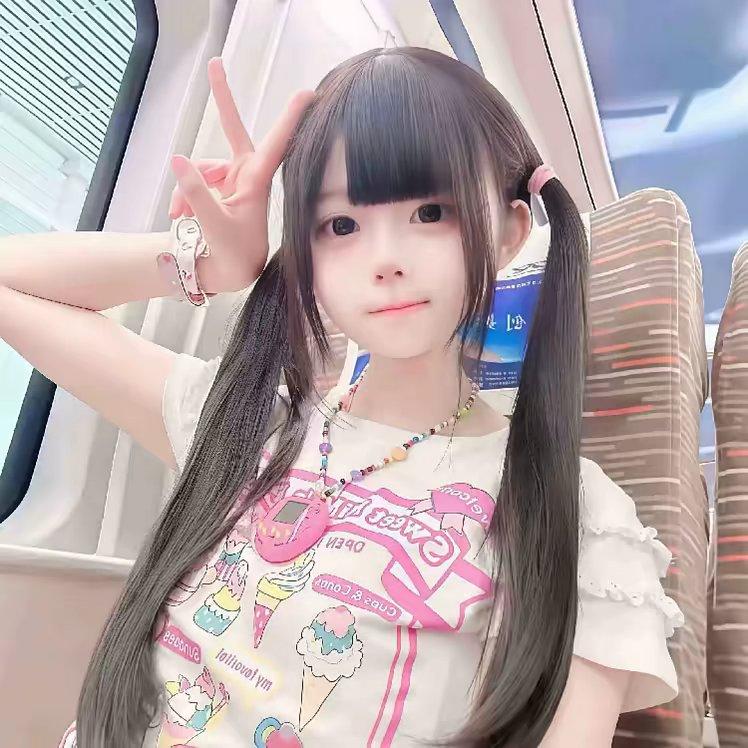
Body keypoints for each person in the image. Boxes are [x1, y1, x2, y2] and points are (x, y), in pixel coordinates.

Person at [0, 49, 684, 747]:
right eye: (340, 226)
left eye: (431, 212)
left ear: (510, 232)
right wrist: (210, 262)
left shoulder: (575, 516)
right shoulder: (240, 421)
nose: (385, 259)